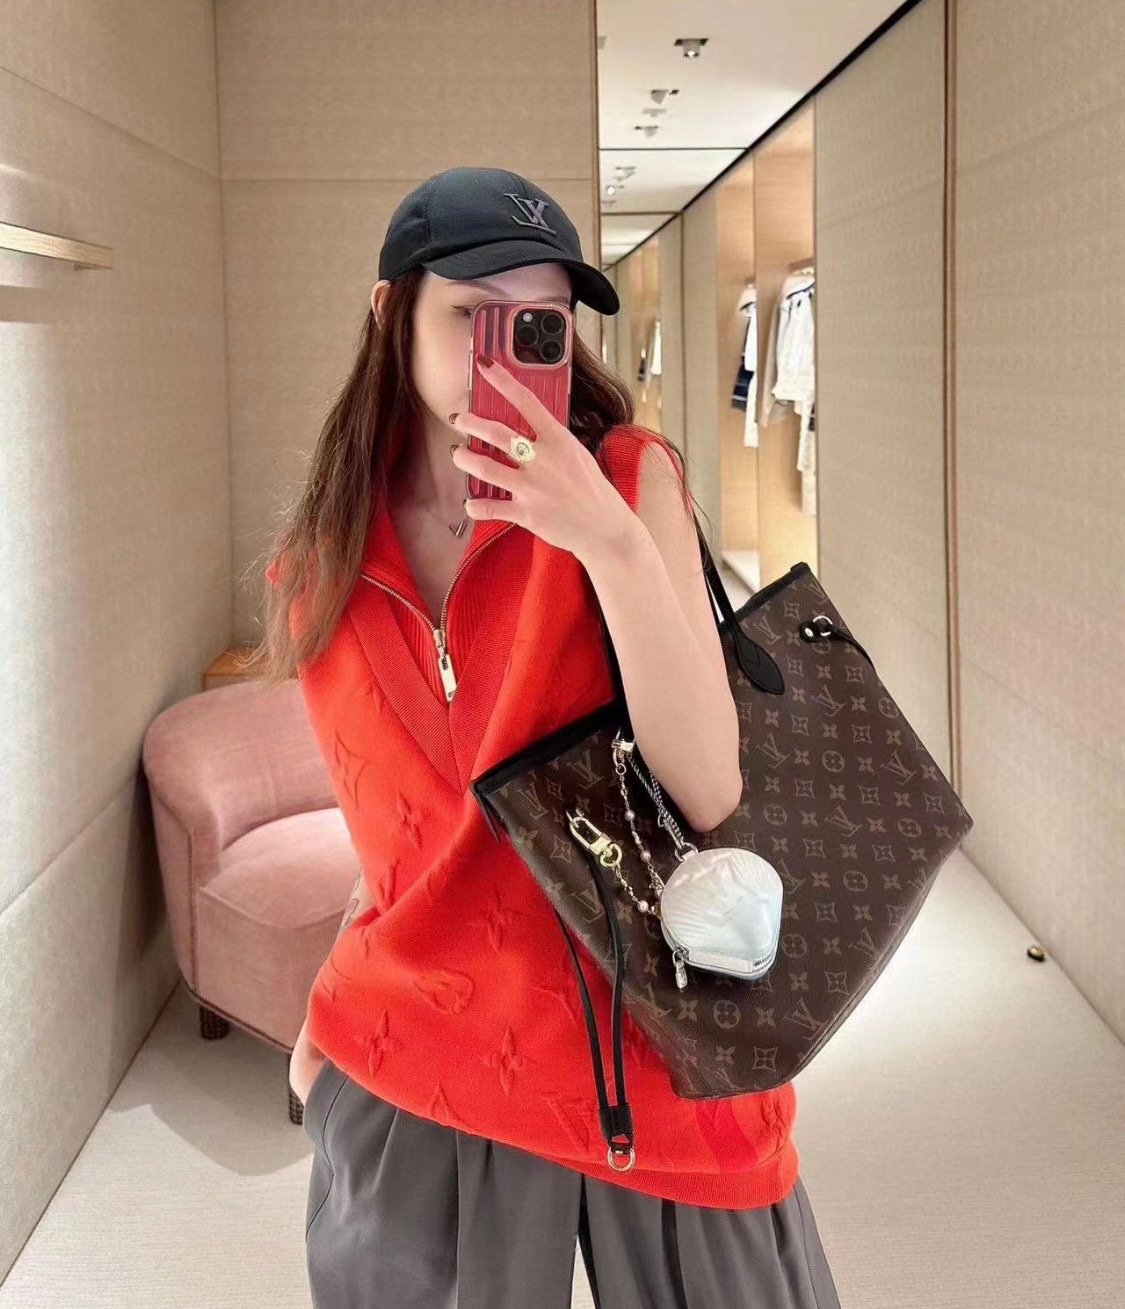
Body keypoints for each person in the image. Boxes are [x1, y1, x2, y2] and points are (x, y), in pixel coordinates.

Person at [251, 166, 842, 1309]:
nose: (511, 348)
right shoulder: (326, 560)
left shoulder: (627, 479)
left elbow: (708, 785)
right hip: (429, 1038)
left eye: (542, 322)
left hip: (652, 1032)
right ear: (389, 314)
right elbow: (398, 844)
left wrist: (605, 541)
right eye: (473, 315)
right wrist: (334, 997)